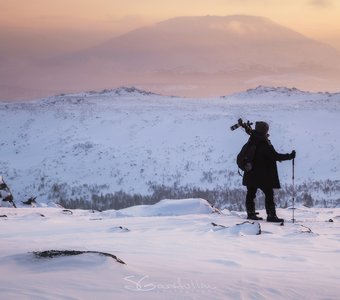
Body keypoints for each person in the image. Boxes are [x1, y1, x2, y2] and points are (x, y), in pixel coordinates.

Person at [243, 122, 295, 222]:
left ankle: (251, 213)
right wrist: (290, 156)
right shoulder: (264, 143)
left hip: (249, 172)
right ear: (264, 130)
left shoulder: (252, 140)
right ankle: (271, 216)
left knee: (251, 193)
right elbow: (275, 156)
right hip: (263, 175)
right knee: (269, 194)